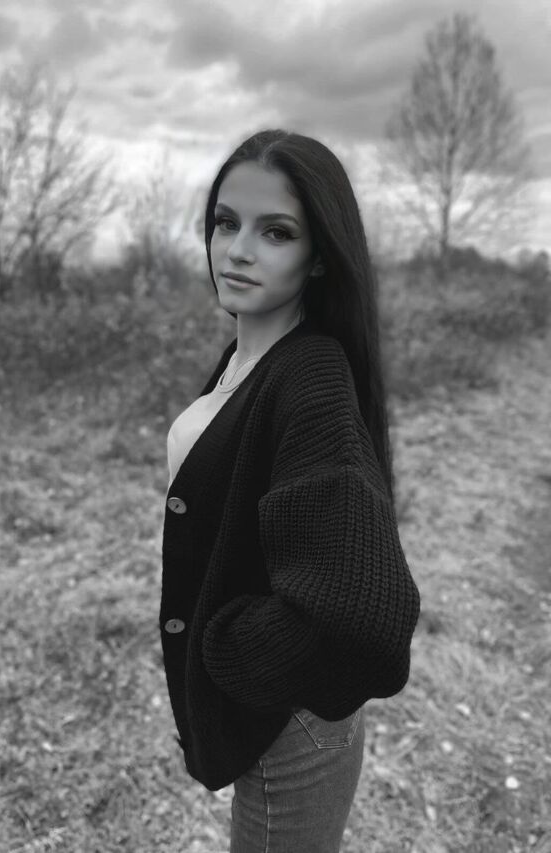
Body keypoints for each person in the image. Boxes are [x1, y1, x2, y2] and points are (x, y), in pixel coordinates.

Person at [160, 129, 421, 852]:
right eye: (226, 222)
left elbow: (366, 619)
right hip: (282, 706)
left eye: (276, 232)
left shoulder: (309, 378)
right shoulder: (249, 357)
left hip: (293, 722)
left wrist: (226, 651)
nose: (238, 250)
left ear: (320, 257)